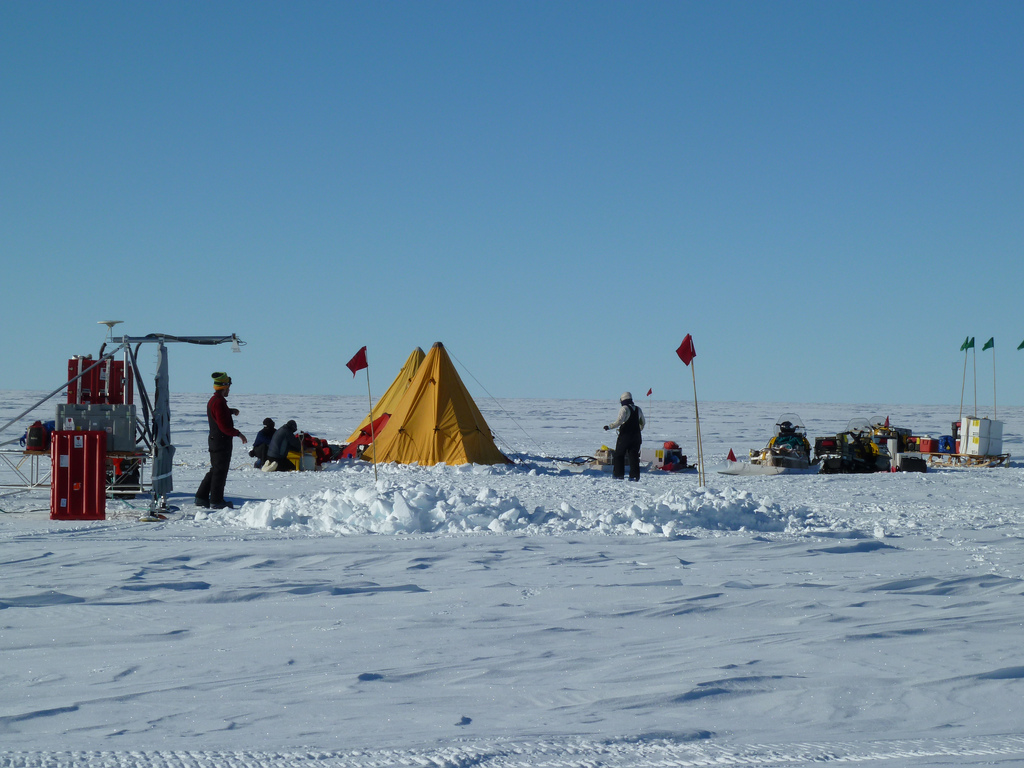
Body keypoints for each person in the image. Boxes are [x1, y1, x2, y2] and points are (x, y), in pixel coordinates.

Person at [195, 372, 247, 509]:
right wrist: (238, 434)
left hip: (216, 440)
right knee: (220, 471)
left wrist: (230, 411)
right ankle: (216, 501)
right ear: (224, 387)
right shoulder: (218, 402)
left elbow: (219, 414)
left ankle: (201, 497)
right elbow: (224, 426)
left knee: (216, 470)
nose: (229, 389)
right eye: (228, 387)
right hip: (221, 441)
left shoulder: (215, 401)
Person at [603, 391, 645, 481]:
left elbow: (619, 421)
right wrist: (638, 430)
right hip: (636, 437)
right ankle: (634, 475)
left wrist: (609, 427)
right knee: (633, 455)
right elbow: (642, 423)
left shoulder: (624, 409)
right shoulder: (638, 409)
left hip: (625, 436)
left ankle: (618, 474)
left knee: (619, 454)